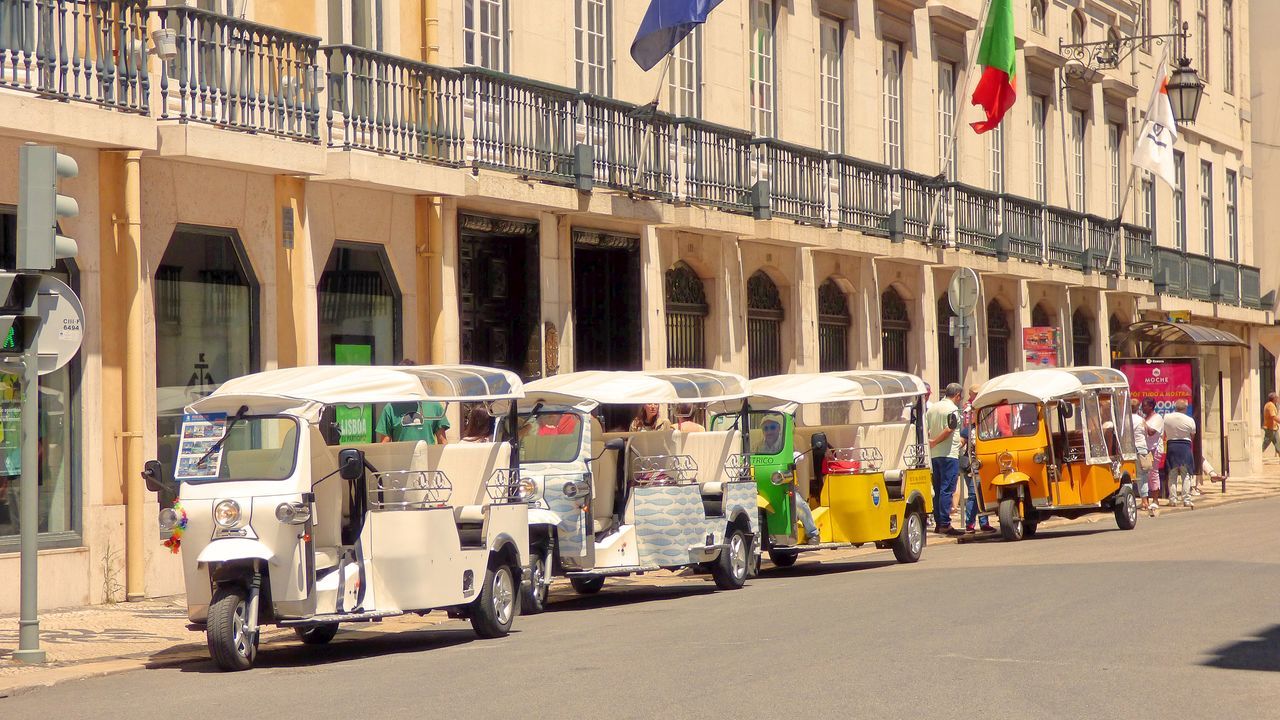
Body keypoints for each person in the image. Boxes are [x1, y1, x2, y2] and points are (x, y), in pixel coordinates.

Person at [759, 417, 820, 544]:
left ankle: (813, 533)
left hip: (786, 486)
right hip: (765, 485)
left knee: (798, 503)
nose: (769, 431)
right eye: (766, 428)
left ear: (779, 429)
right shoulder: (758, 446)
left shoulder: (787, 444)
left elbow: (798, 455)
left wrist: (796, 456)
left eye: (772, 427)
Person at [377, 359, 450, 444]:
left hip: (428, 457)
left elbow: (442, 441)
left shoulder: (434, 405)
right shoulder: (390, 408)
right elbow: (384, 443)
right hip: (401, 457)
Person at [926, 383, 965, 536]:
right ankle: (944, 524)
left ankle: (938, 522)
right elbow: (950, 428)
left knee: (938, 489)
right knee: (947, 489)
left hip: (935, 455)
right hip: (949, 454)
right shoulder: (952, 410)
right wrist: (935, 441)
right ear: (957, 396)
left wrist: (932, 443)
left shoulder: (933, 408)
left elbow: (926, 428)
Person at [960, 385, 994, 534]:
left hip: (985, 464)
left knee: (982, 494)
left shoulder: (987, 429)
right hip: (972, 465)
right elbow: (960, 443)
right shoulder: (968, 430)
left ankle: (984, 522)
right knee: (974, 494)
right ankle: (970, 524)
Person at [1163, 399, 1197, 508]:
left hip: (1172, 445)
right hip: (1185, 446)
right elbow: (1192, 435)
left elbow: (1164, 432)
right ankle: (1186, 499)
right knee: (1186, 475)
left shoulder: (1166, 418)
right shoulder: (1189, 420)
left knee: (1172, 474)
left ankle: (1172, 499)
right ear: (1185, 408)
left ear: (1175, 407)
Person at [1140, 399, 1164, 516]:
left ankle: (1155, 499)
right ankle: (1146, 500)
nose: (1142, 408)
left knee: (1153, 474)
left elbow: (1151, 432)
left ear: (1151, 406)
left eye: (1144, 406)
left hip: (1154, 450)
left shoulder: (1157, 418)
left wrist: (1143, 423)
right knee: (1145, 474)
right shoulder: (1144, 418)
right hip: (1145, 449)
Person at [1130, 399, 1151, 508]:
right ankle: (1144, 500)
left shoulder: (1125, 419)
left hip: (1130, 449)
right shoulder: (1142, 420)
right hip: (1142, 447)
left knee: (1128, 475)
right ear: (1138, 408)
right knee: (1142, 475)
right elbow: (1146, 433)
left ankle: (1130, 501)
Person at [1263, 392, 1280, 459]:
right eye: (1277, 398)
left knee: (1278, 443)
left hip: (1273, 428)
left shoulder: (1271, 405)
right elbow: (1273, 417)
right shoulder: (1270, 406)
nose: (1278, 399)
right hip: (1270, 428)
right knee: (1265, 443)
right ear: (1274, 399)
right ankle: (1256, 454)